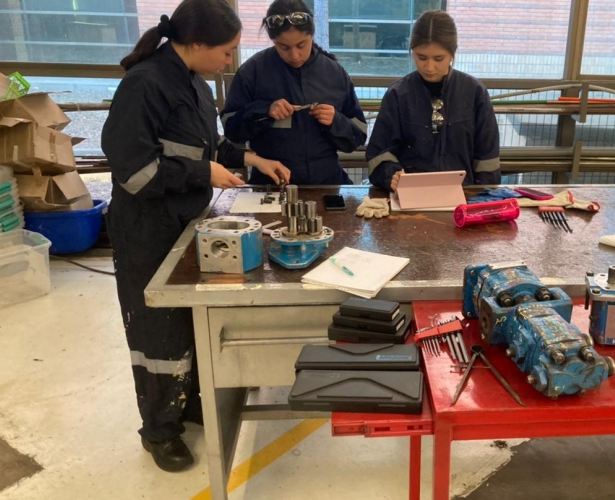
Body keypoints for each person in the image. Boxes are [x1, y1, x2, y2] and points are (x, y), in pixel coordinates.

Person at [101, 0, 290, 473]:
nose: (229, 61)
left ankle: (186, 404)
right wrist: (200, 172)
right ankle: (159, 431)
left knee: (187, 321)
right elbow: (135, 174)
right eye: (226, 52)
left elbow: (209, 145)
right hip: (146, 229)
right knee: (156, 331)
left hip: (184, 221)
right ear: (199, 44)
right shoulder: (144, 85)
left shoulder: (193, 85)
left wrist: (252, 160)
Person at [221, 0, 367, 186]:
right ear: (273, 41)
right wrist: (264, 111)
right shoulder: (253, 72)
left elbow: (359, 135)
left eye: (301, 45)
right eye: (284, 47)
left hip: (326, 184)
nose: (295, 55)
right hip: (270, 185)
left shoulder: (334, 73)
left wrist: (336, 121)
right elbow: (231, 130)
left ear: (312, 36)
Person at [366, 10, 501, 192]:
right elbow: (379, 152)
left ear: (452, 54)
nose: (429, 67)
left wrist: (482, 196)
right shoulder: (398, 95)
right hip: (410, 195)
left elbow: (487, 158)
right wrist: (391, 175)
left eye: (439, 59)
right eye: (421, 57)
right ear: (411, 50)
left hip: (463, 197)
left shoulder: (474, 92)